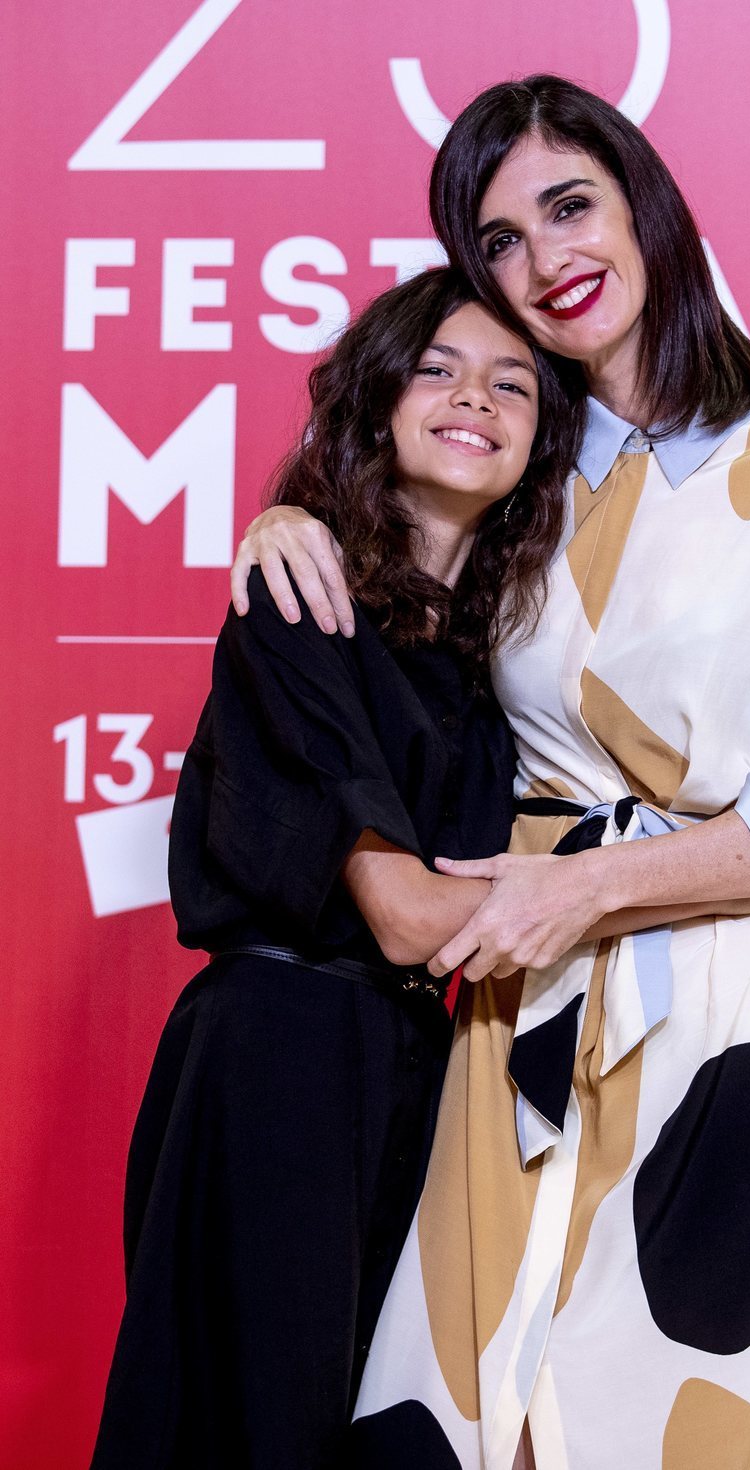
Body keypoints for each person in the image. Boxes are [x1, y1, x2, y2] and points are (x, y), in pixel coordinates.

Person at [231, 77, 750, 1470]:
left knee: (691, 1417)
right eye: (496, 240)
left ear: (644, 207)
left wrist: (598, 889)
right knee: (471, 1413)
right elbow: (395, 579)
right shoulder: (526, 465)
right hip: (523, 1016)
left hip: (729, 1013)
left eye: (568, 206)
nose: (543, 259)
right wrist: (284, 514)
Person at [90, 266, 584, 1469]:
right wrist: (634, 898)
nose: (476, 398)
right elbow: (409, 916)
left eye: (511, 383)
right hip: (283, 1062)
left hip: (421, 1069)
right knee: (261, 1427)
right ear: (376, 401)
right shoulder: (299, 595)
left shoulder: (503, 661)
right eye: (439, 369)